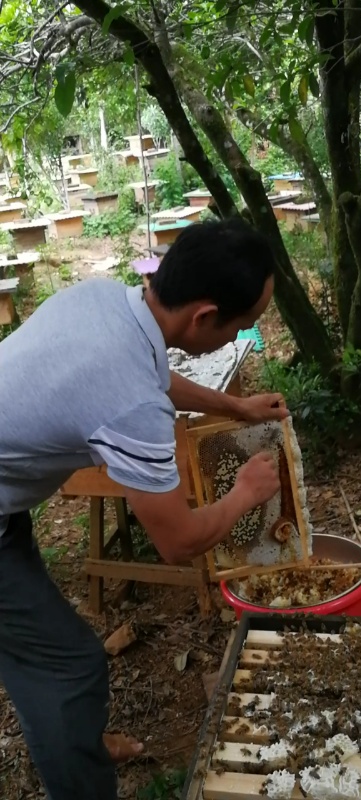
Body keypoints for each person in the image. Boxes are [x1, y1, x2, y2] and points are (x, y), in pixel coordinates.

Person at [0, 217, 287, 800]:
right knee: (70, 668)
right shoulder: (131, 402)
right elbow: (177, 542)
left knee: (41, 661)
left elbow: (150, 375)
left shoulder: (108, 300)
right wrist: (245, 494)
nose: (241, 337)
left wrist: (235, 406)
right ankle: (74, 756)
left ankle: (71, 736)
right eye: (242, 326)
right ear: (204, 317)